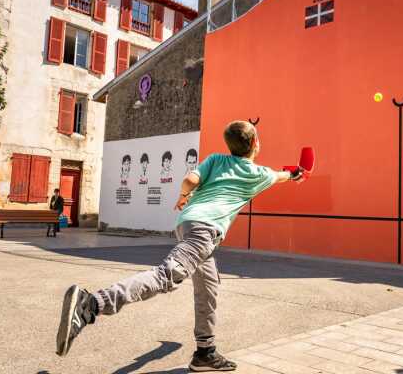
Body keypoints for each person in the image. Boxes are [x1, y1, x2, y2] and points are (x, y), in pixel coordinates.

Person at [55, 120, 303, 371]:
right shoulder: (257, 174)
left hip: (188, 222)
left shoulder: (216, 160)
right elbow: (283, 175)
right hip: (205, 231)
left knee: (208, 287)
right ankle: (92, 304)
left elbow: (189, 180)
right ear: (254, 144)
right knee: (166, 276)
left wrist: (184, 196)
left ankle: (205, 352)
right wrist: (295, 173)